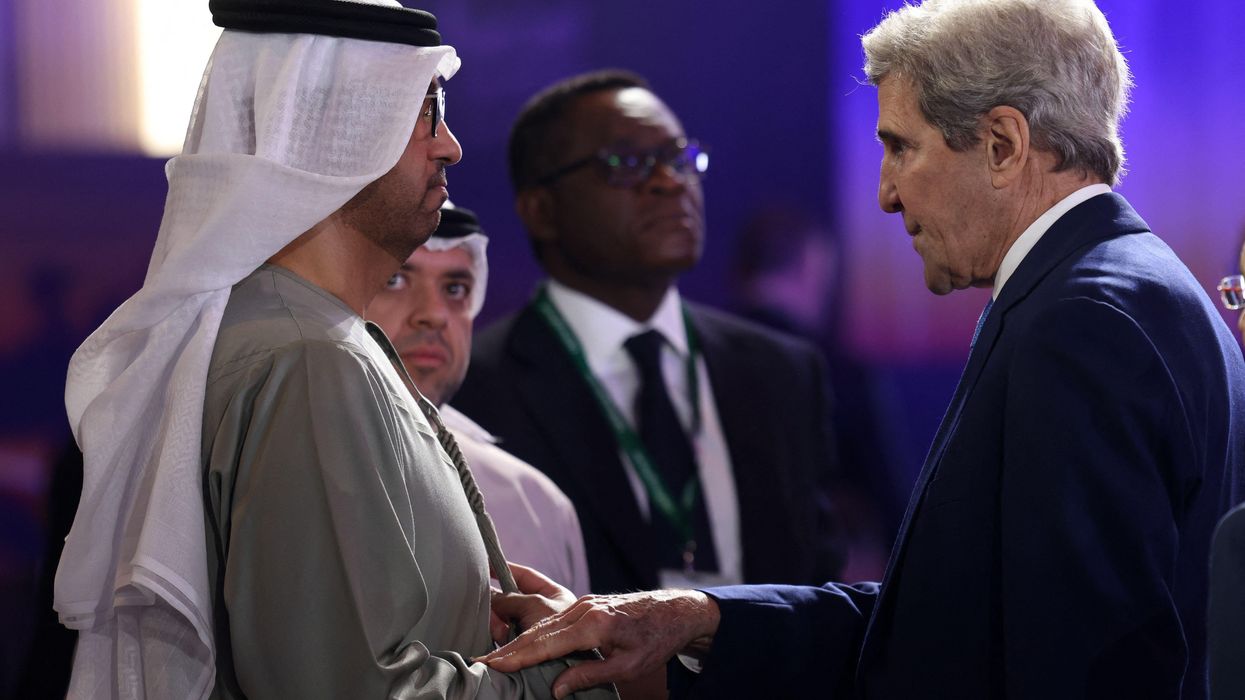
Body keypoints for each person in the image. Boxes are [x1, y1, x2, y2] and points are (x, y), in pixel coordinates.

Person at [479, 2, 1245, 698]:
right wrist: (698, 617)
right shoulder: (1124, 289)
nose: (884, 193)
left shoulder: (1079, 319)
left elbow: (1076, 671)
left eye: (899, 148)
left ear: (1002, 144)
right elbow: (958, 624)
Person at [52, 2, 606, 698]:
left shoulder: (316, 336)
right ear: (335, 133)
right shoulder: (309, 358)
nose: (450, 147)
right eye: (424, 113)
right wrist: (578, 677)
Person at [452, 70, 844, 597]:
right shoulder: (473, 389)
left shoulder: (782, 371)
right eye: (626, 163)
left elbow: (816, 586)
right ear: (541, 210)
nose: (670, 182)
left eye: (680, 158)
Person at [366, 202, 591, 595]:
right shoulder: (277, 466)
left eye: (455, 289)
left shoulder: (538, 508)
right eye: (395, 280)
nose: (435, 314)